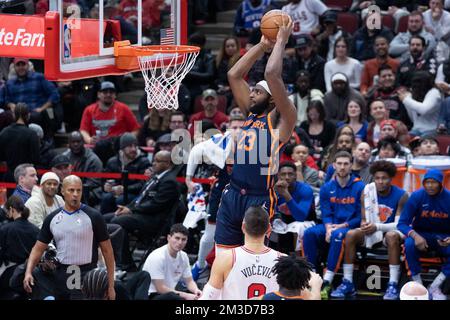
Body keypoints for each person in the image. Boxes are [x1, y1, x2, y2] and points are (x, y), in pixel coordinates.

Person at [214, 18, 297, 252]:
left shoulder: (283, 119)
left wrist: (280, 41)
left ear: (272, 98)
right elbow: (234, 75)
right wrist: (261, 46)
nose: (251, 95)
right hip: (232, 194)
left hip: (258, 198)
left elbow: (272, 73)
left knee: (252, 259)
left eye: (257, 92)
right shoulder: (251, 114)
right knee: (223, 258)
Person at [23, 175, 116, 300]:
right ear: (62, 191)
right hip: (60, 272)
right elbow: (38, 248)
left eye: (79, 190)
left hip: (85, 273)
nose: (75, 194)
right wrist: (28, 272)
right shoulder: (52, 218)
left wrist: (111, 285)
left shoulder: (94, 216)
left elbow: (107, 251)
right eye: (71, 190)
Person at [330, 160, 409, 299]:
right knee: (351, 234)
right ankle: (347, 282)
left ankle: (393, 284)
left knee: (391, 236)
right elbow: (364, 219)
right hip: (372, 230)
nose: (380, 181)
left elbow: (399, 224)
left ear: (391, 178)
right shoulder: (367, 191)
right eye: (377, 178)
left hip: (391, 232)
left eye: (384, 178)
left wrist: (377, 227)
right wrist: (365, 225)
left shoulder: (402, 195)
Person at [302, 151, 365, 299]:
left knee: (337, 235)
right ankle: (311, 276)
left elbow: (360, 216)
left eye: (346, 164)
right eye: (339, 164)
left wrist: (340, 226)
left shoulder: (360, 186)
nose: (342, 167)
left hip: (350, 227)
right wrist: (329, 227)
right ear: (334, 165)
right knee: (309, 233)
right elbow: (325, 212)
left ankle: (327, 281)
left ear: (351, 166)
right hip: (331, 226)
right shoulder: (326, 187)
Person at [190, 116, 245, 281]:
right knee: (210, 234)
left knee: (241, 236)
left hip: (243, 196)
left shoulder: (254, 146)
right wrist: (188, 177)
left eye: (240, 127)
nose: (236, 131)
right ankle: (200, 266)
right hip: (221, 193)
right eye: (233, 127)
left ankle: (234, 273)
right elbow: (195, 150)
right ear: (228, 128)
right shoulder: (218, 142)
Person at [105, 150, 180, 270]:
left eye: (157, 161)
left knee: (118, 222)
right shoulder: (156, 177)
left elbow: (155, 205)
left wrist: (131, 210)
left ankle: (125, 263)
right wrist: (128, 207)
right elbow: (140, 198)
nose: (153, 163)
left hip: (154, 220)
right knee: (104, 219)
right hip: (142, 214)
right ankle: (113, 258)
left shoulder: (169, 181)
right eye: (153, 160)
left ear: (168, 163)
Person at [201, 206, 284, 300]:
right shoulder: (283, 260)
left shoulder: (225, 258)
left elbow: (208, 297)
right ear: (269, 228)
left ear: (243, 226)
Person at [397, 169, 450, 300]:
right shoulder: (417, 196)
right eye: (427, 182)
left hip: (442, 236)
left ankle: (435, 286)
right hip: (420, 234)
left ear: (441, 183)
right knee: (408, 244)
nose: (430, 186)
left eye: (433, 182)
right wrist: (415, 236)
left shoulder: (448, 198)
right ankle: (418, 286)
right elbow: (402, 223)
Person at [79, 81, 140, 164]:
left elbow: (135, 129)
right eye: (105, 92)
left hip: (117, 150)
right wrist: (89, 140)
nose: (108, 94)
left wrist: (126, 141)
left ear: (115, 95)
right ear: (98, 94)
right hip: (97, 149)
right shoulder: (89, 110)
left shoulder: (124, 108)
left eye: (111, 92)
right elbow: (83, 130)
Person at [3, 58, 61, 137]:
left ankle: (45, 142)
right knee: (5, 116)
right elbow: (6, 99)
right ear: (14, 67)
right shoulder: (10, 83)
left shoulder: (39, 77)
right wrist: (10, 104)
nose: (21, 67)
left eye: (23, 64)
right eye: (18, 65)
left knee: (37, 116)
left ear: (28, 65)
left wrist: (42, 108)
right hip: (17, 113)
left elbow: (54, 94)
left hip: (35, 111)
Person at [142, 223, 202, 300]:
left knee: (197, 293)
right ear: (169, 238)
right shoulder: (157, 256)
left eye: (183, 239)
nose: (180, 242)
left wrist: (196, 290)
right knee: (176, 297)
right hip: (152, 295)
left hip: (170, 293)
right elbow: (160, 288)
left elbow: (189, 281)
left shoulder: (183, 256)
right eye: (177, 238)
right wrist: (185, 295)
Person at [100, 132, 150, 214]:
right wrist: (106, 186)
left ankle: (119, 223)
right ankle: (103, 222)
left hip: (135, 193)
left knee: (121, 199)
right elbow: (104, 180)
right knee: (106, 197)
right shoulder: (112, 161)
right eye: (130, 146)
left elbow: (143, 184)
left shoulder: (143, 161)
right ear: (122, 148)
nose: (134, 149)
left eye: (135, 146)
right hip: (116, 191)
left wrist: (125, 189)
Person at [0, 196, 40, 298]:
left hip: (9, 275)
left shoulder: (5, 229)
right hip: (32, 272)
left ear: (11, 209)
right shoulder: (35, 229)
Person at [274, 162, 316, 253]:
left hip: (306, 222)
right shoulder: (273, 190)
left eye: (290, 174)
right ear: (278, 176)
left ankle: (298, 260)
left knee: (298, 227)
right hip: (283, 222)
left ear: (295, 176)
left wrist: (286, 194)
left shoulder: (305, 189)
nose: (287, 177)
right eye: (283, 174)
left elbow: (301, 217)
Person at [0, 103, 39, 182]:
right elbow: (36, 159)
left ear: (14, 115)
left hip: (10, 175)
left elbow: (1, 157)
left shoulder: (4, 132)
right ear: (28, 115)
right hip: (27, 177)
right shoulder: (32, 134)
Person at [62, 131, 103, 204]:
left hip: (90, 191)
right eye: (73, 142)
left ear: (84, 142)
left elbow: (94, 182)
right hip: (69, 189)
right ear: (69, 144)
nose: (76, 144)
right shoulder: (64, 157)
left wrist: (75, 188)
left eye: (78, 142)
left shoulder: (93, 159)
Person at [398, 71, 442, 137]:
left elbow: (423, 110)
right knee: (404, 139)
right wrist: (407, 100)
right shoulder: (414, 93)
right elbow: (413, 119)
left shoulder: (434, 92)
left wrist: (406, 99)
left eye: (418, 83)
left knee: (423, 140)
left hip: (432, 129)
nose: (416, 86)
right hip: (416, 129)